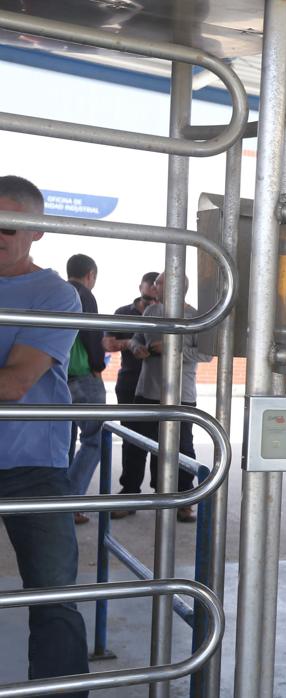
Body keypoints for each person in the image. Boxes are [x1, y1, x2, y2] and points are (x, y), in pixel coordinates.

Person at [0, 175, 91, 694]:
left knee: (53, 598)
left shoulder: (54, 294)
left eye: (12, 224)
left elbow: (14, 384)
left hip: (34, 466)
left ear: (37, 232)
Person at [124, 272, 212, 522]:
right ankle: (129, 495)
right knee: (136, 444)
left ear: (176, 287)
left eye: (160, 282)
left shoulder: (196, 317)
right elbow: (135, 339)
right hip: (147, 391)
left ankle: (184, 501)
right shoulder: (150, 313)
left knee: (182, 448)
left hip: (180, 395)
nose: (155, 286)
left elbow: (206, 355)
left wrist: (173, 350)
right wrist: (136, 348)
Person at [103, 271, 158, 519]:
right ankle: (130, 493)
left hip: (162, 384)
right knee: (132, 438)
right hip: (130, 382)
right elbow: (108, 344)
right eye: (147, 299)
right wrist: (133, 343)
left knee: (167, 439)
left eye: (156, 300)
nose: (151, 304)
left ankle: (166, 496)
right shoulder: (123, 312)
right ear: (140, 289)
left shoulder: (168, 312)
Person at [64, 253, 107, 524]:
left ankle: (56, 499)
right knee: (95, 439)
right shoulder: (85, 295)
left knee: (63, 441)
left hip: (59, 376)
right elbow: (92, 335)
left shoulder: (57, 293)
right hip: (83, 377)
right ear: (90, 274)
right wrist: (97, 366)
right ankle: (71, 501)